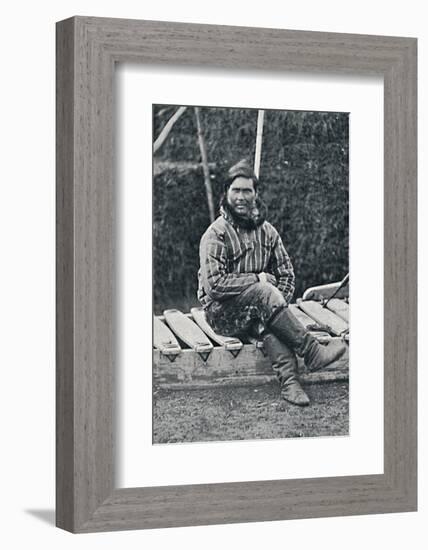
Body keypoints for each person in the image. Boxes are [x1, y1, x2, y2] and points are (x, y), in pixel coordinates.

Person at [197, 159, 346, 407]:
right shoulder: (216, 234)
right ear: (226, 193)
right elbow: (215, 285)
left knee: (267, 320)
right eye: (236, 190)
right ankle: (311, 351)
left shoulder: (268, 232)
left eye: (247, 190)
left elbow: (287, 275)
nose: (241, 197)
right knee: (264, 293)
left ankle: (290, 384)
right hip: (221, 315)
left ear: (256, 194)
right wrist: (258, 281)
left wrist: (275, 305)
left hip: (258, 310)